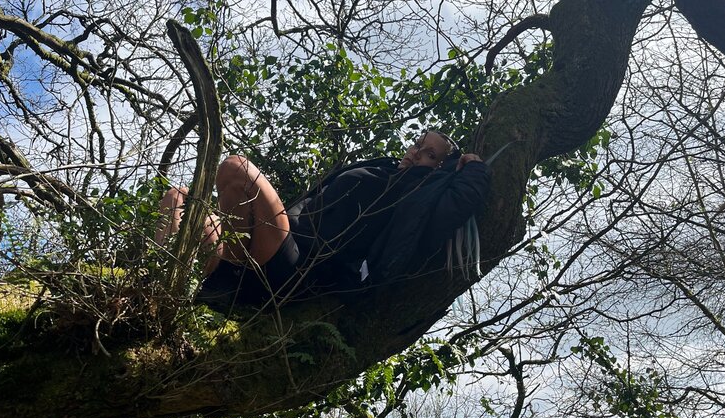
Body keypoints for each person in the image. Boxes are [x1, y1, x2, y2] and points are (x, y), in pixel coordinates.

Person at [156, 130, 490, 305]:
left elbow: (457, 206)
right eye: (418, 145)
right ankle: (155, 291)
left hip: (297, 267)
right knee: (177, 198)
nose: (415, 153)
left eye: (429, 154)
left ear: (439, 169)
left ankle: (228, 280)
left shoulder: (417, 199)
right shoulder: (382, 169)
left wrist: (473, 169)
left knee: (235, 169)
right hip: (268, 246)